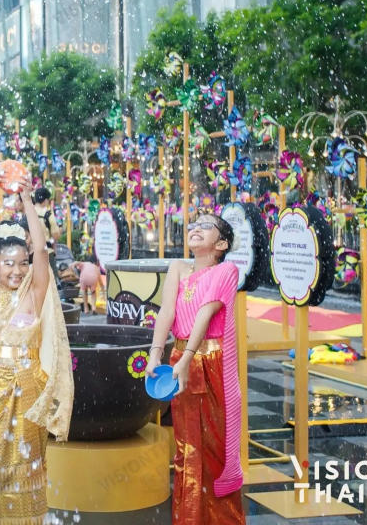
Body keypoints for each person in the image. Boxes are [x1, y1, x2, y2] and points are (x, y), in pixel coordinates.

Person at [0, 164, 74, 524]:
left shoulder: (34, 293)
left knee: (31, 462)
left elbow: (42, 251)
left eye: (20, 263)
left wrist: (27, 199)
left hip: (29, 383)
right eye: (7, 264)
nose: (15, 270)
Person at [146, 215, 243, 525]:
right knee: (186, 449)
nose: (195, 229)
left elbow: (206, 311)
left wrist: (186, 358)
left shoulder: (226, 270)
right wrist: (155, 354)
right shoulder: (178, 268)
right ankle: (188, 518)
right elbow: (167, 311)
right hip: (180, 360)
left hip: (210, 363)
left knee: (215, 448)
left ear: (222, 244)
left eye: (206, 226)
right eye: (194, 225)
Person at [33, 187, 62, 282]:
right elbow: (56, 234)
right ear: (45, 200)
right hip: (46, 251)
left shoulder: (29, 213)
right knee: (52, 279)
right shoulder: (48, 214)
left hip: (31, 252)